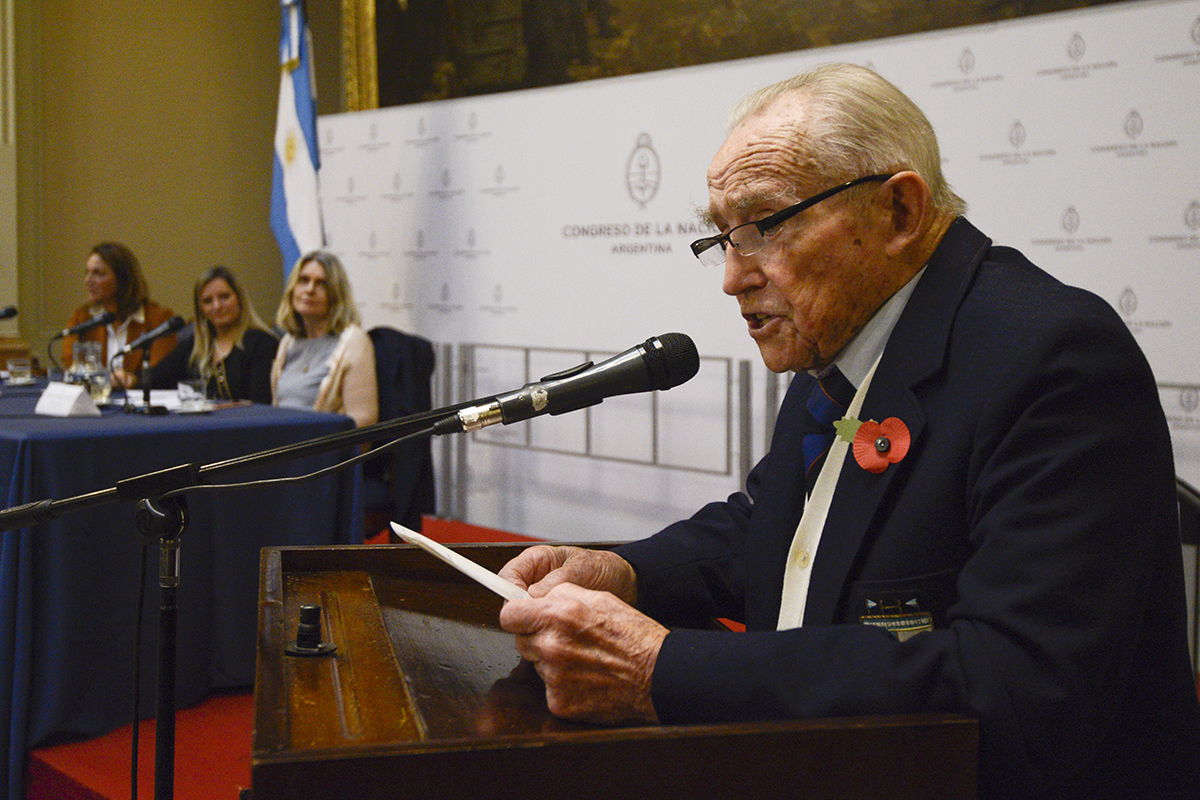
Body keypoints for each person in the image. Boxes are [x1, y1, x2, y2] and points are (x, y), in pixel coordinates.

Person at [496, 63, 1200, 799]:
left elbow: (1016, 692)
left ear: (898, 211)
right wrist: (628, 572)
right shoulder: (839, 337)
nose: (733, 278)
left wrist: (659, 672)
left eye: (763, 226)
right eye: (723, 237)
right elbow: (779, 527)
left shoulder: (1054, 358)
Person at [270, 250, 378, 427]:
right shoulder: (287, 342)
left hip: (324, 450)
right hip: (283, 446)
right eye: (303, 280)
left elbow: (364, 421)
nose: (310, 289)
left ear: (335, 294)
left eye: (321, 284)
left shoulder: (354, 341)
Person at [146, 265, 277, 404]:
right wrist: (129, 379)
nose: (217, 306)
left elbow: (261, 403)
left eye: (224, 297)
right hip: (200, 425)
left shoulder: (262, 343)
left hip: (245, 424)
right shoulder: (194, 346)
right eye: (208, 301)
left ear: (239, 299)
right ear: (200, 310)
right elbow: (154, 380)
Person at [62, 242, 177, 387]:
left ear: (123, 279)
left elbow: (160, 372)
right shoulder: (83, 318)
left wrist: (132, 379)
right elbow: (72, 366)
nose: (88, 280)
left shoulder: (158, 319)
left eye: (98, 273)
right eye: (87, 272)